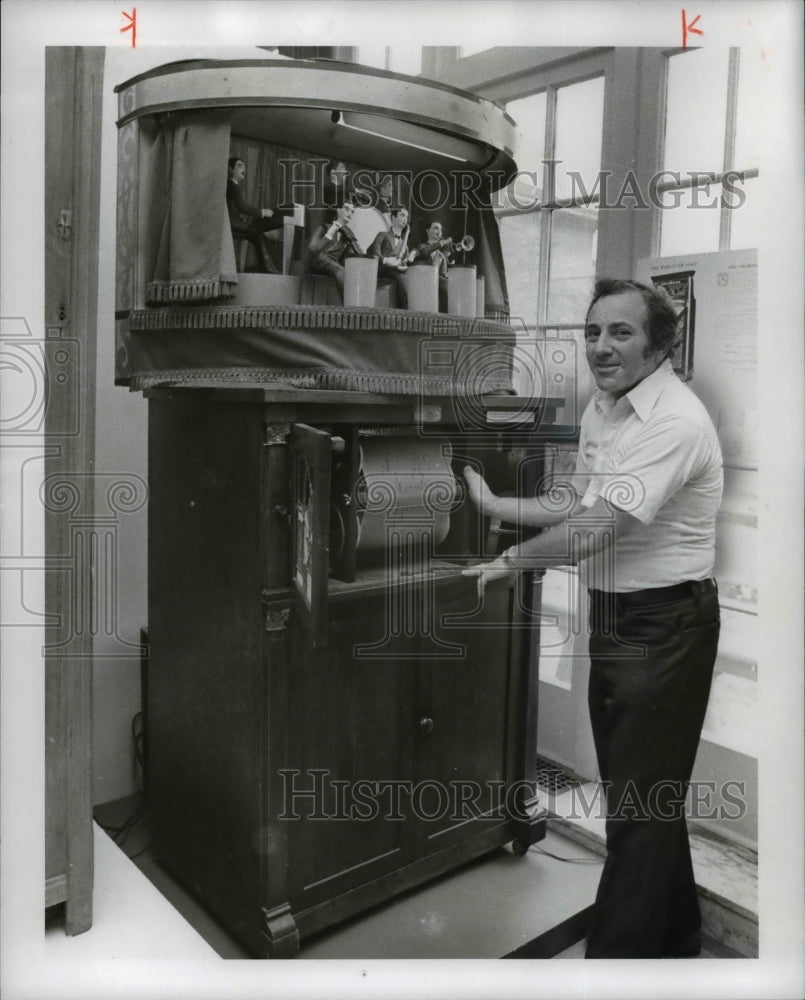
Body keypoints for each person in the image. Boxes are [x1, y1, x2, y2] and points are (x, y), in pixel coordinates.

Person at [462, 278, 723, 959]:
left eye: (620, 332)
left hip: (664, 627)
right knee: (641, 800)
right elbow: (576, 498)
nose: (600, 347)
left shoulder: (673, 421)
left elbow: (598, 526)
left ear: (658, 344)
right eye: (591, 332)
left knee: (636, 813)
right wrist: (497, 508)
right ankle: (678, 940)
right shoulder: (605, 408)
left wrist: (512, 560)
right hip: (615, 617)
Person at [226, 157, 280, 273]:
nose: (243, 169)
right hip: (231, 224)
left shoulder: (230, 186)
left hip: (231, 222)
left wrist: (244, 218)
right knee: (258, 236)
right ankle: (269, 269)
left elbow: (234, 209)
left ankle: (266, 268)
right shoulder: (233, 186)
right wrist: (263, 212)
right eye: (239, 166)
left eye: (244, 167)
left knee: (256, 236)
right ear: (230, 169)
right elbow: (242, 207)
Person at [306, 200, 362, 298]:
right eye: (347, 209)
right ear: (338, 210)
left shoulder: (348, 233)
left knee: (351, 272)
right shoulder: (324, 227)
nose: (350, 213)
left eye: (352, 212)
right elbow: (312, 248)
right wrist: (330, 233)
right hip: (318, 261)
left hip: (334, 264)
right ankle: (350, 306)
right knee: (341, 271)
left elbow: (350, 255)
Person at [368, 206, 411, 308]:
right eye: (402, 215)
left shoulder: (404, 244)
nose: (405, 219)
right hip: (381, 270)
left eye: (407, 216)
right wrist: (386, 260)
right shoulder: (382, 235)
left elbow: (405, 262)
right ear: (393, 218)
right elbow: (374, 253)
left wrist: (404, 265)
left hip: (396, 271)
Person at [408, 220, 454, 310]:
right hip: (423, 285)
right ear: (427, 231)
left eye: (440, 229)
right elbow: (425, 252)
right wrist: (442, 243)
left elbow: (443, 272)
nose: (439, 231)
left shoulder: (441, 255)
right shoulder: (421, 246)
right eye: (436, 228)